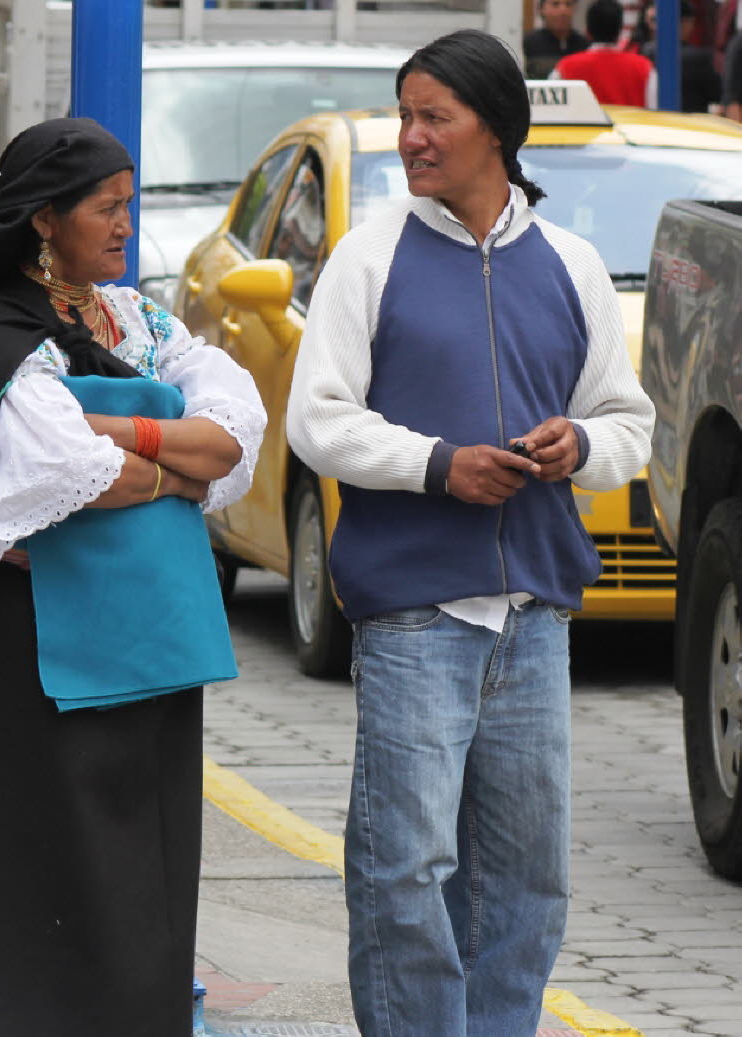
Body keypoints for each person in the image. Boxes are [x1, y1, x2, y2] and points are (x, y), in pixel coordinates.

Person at [0, 118, 266, 1037]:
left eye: (127, 204)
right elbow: (69, 470)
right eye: (106, 208)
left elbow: (231, 427)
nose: (125, 224)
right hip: (28, 654)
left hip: (141, 643)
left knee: (135, 868)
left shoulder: (135, 319)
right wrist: (171, 466)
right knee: (30, 865)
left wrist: (128, 434)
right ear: (43, 219)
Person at [286, 29, 654, 1037]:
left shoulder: (571, 265)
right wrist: (437, 463)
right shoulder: (367, 258)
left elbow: (629, 424)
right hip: (412, 617)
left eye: (430, 115)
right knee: (403, 869)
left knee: (527, 876)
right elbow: (314, 418)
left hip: (533, 617)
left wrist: (577, 443)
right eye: (403, 114)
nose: (409, 136)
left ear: (493, 128)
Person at [552, 0, 658, 107]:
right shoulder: (644, 68)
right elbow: (656, 110)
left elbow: (551, 108)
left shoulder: (565, 67)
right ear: (620, 30)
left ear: (587, 31)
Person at [625, 0, 722, 112]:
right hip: (691, 123)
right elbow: (717, 94)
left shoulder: (643, 52)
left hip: (651, 121)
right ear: (685, 23)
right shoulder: (700, 58)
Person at [523, 0, 589, 79]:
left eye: (568, 4)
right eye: (555, 4)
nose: (563, 11)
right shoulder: (529, 42)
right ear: (541, 9)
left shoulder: (584, 45)